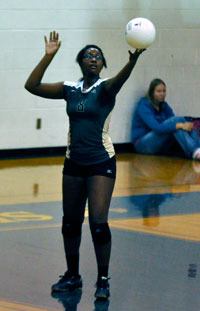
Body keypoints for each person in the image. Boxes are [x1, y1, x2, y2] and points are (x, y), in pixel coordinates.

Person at [24, 31, 145, 299]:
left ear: (102, 65)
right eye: (89, 55)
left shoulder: (105, 89)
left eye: (98, 56)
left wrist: (132, 61)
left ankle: (103, 280)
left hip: (101, 161)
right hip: (74, 162)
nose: (93, 58)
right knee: (70, 223)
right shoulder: (70, 89)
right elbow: (31, 85)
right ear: (81, 62)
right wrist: (48, 56)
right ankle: (72, 276)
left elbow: (120, 80)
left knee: (98, 224)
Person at [131, 78, 200, 160]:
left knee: (184, 122)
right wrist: (179, 125)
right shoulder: (143, 105)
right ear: (152, 92)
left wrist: (183, 125)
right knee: (177, 123)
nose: (162, 94)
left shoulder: (164, 105)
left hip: (158, 143)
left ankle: (198, 148)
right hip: (142, 144)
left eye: (164, 91)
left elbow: (174, 120)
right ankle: (195, 151)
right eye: (159, 91)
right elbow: (157, 128)